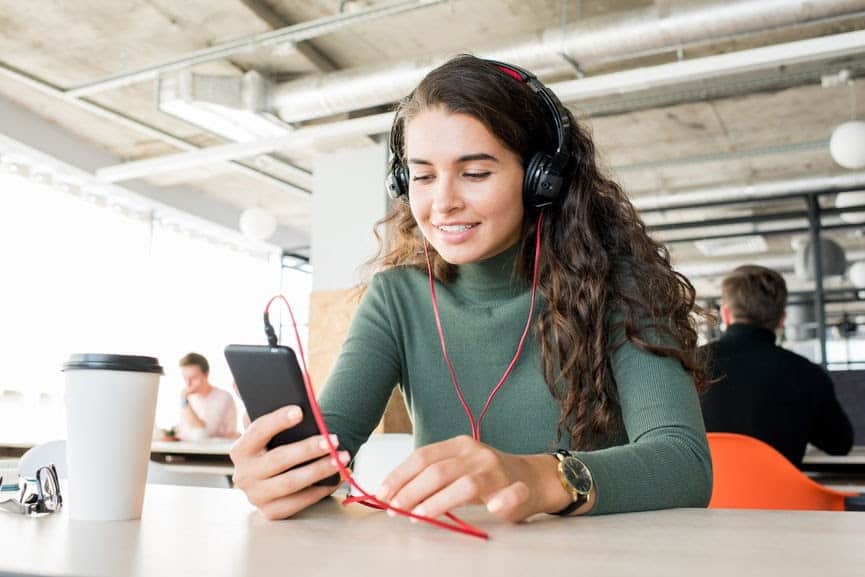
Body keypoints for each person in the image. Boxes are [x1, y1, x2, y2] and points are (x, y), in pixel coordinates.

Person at [230, 55, 712, 522]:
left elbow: (684, 462)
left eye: (476, 173)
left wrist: (536, 477)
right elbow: (325, 454)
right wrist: (280, 476)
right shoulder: (397, 298)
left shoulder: (620, 287)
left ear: (542, 179)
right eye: (421, 176)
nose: (442, 203)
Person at [700, 265, 853, 468]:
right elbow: (840, 444)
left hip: (703, 498)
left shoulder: (689, 365)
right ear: (782, 320)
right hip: (782, 499)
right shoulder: (808, 375)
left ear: (726, 315)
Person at [175, 352, 239, 441]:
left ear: (206, 374)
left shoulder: (223, 397)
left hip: (214, 451)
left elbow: (204, 432)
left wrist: (184, 401)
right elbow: (183, 431)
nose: (188, 383)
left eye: (193, 378)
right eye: (185, 378)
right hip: (190, 449)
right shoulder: (190, 398)